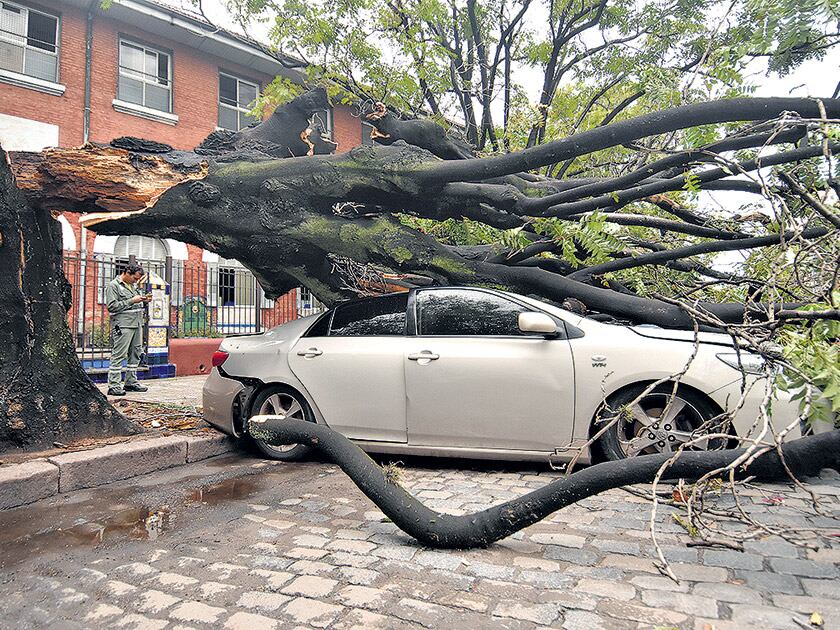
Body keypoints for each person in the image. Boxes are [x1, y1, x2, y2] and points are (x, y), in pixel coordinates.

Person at [105, 262, 152, 396]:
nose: (136, 281)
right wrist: (132, 300)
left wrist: (143, 300)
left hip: (137, 323)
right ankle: (113, 385)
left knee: (136, 353)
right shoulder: (113, 286)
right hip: (123, 324)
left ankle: (131, 382)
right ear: (127, 273)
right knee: (119, 354)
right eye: (135, 278)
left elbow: (135, 301)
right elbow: (112, 306)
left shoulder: (132, 286)